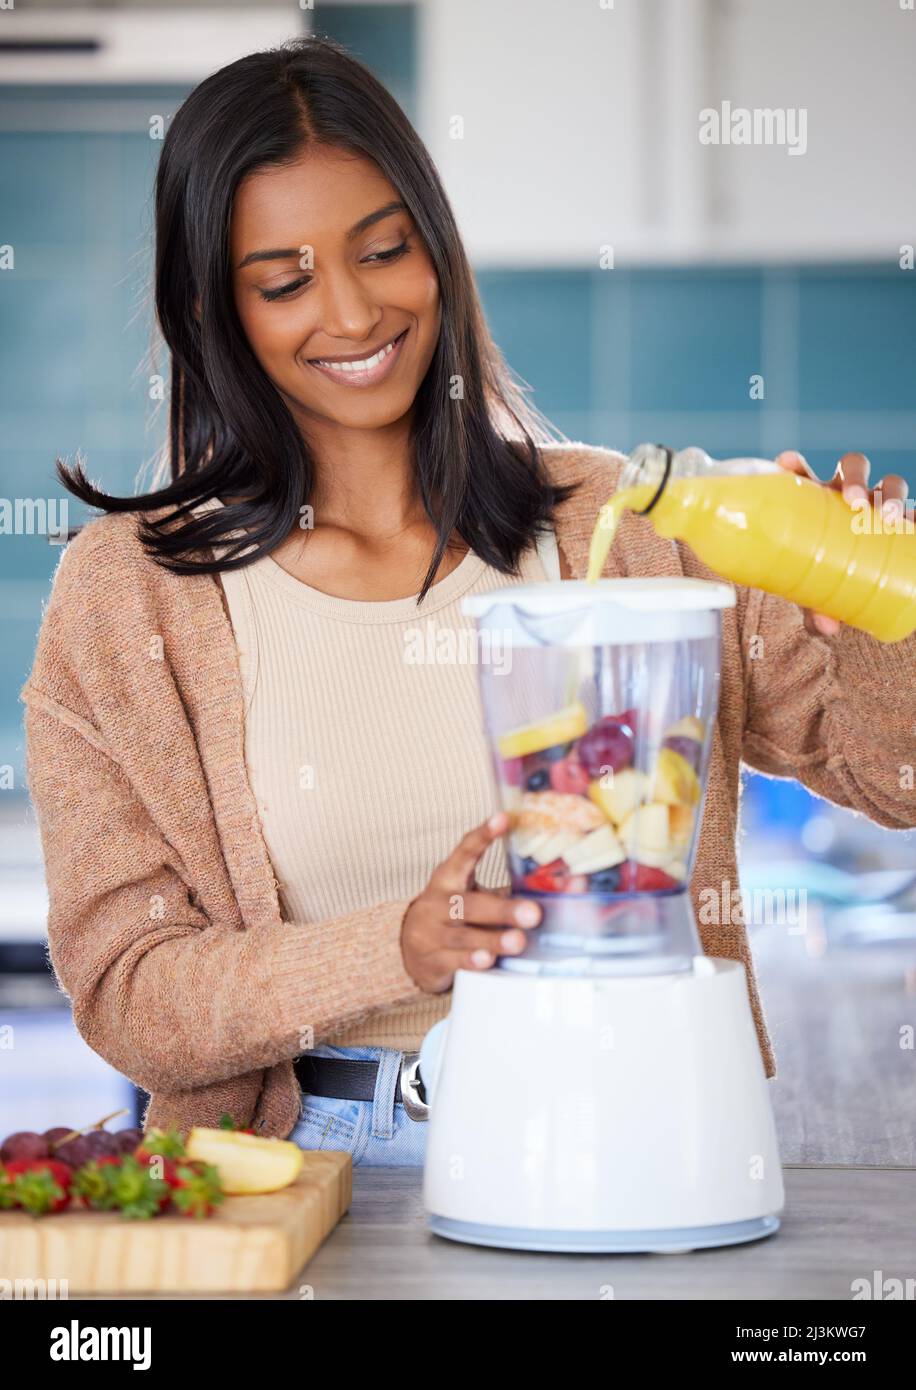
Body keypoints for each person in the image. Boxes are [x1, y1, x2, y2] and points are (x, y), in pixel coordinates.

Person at [21, 37, 915, 1166]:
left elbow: (894, 782)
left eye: (383, 251)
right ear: (213, 311)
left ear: (436, 249)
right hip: (314, 1168)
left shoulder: (624, 528)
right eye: (285, 281)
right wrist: (396, 948)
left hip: (630, 1130)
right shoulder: (127, 600)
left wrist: (887, 613)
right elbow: (128, 993)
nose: (351, 314)